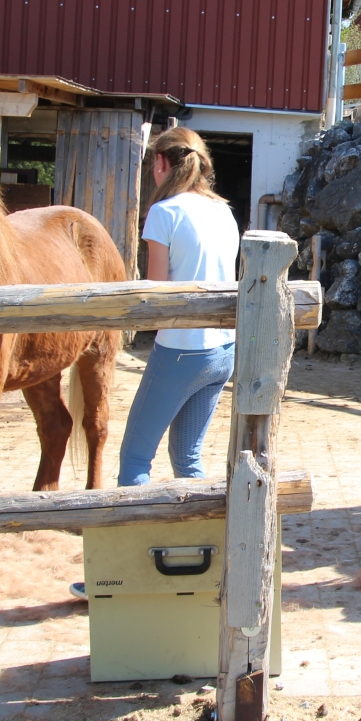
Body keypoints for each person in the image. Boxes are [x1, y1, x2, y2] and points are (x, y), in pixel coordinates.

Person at [116, 126, 241, 485]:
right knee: (187, 455)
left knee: (136, 456)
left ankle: (134, 537)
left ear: (160, 162)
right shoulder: (223, 211)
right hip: (222, 349)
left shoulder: (163, 212)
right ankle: (202, 537)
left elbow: (158, 291)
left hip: (180, 349)